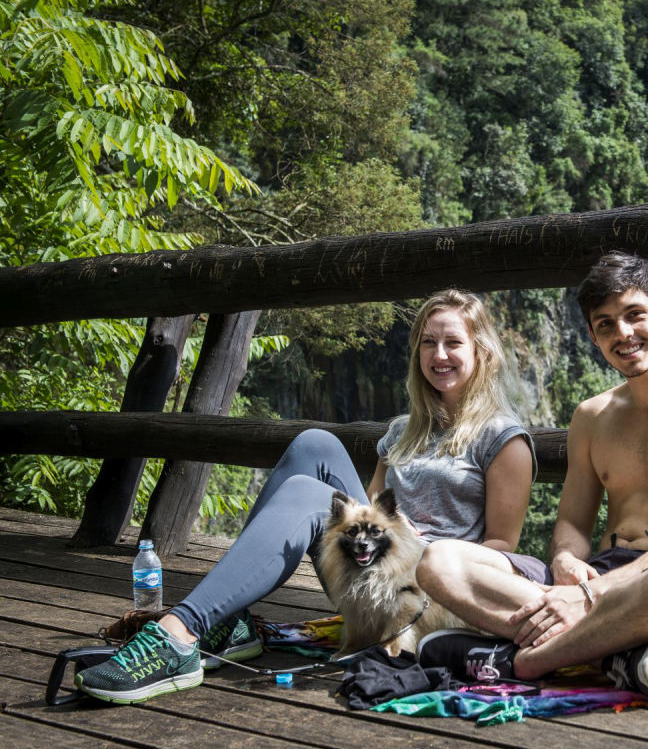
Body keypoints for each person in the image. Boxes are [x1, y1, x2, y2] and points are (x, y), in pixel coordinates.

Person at [76, 289, 535, 704]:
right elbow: (369, 510)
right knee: (314, 444)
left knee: (307, 494)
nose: (439, 354)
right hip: (369, 570)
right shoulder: (402, 431)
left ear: (482, 351)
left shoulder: (502, 438)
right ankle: (229, 620)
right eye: (428, 342)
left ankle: (179, 632)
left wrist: (429, 550)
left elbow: (501, 550)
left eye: (453, 342)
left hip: (423, 597)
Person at [416, 252, 648, 698]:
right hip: (594, 578)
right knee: (439, 562)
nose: (624, 333)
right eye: (606, 324)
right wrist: (566, 562)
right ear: (594, 336)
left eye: (635, 315)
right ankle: (616, 654)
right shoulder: (592, 416)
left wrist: (591, 598)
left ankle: (525, 661)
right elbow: (574, 524)